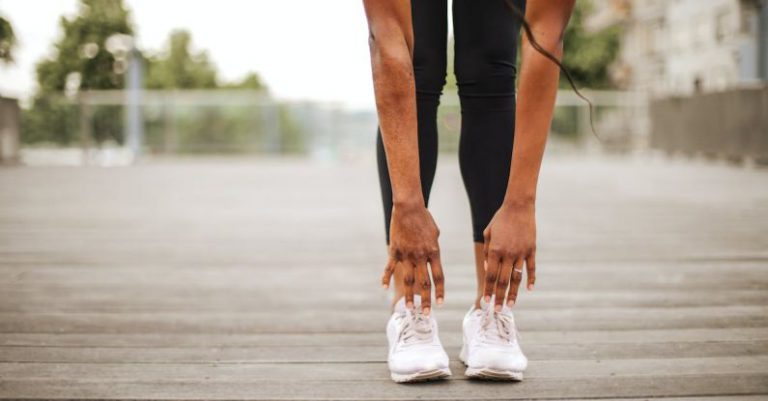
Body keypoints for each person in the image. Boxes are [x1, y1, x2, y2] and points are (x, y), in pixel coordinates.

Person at [363, 0, 576, 382]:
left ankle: (491, 307)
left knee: (491, 66)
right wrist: (407, 208)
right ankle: (409, 304)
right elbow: (388, 43)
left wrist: (520, 204)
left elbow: (546, 37)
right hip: (403, 58)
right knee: (418, 63)